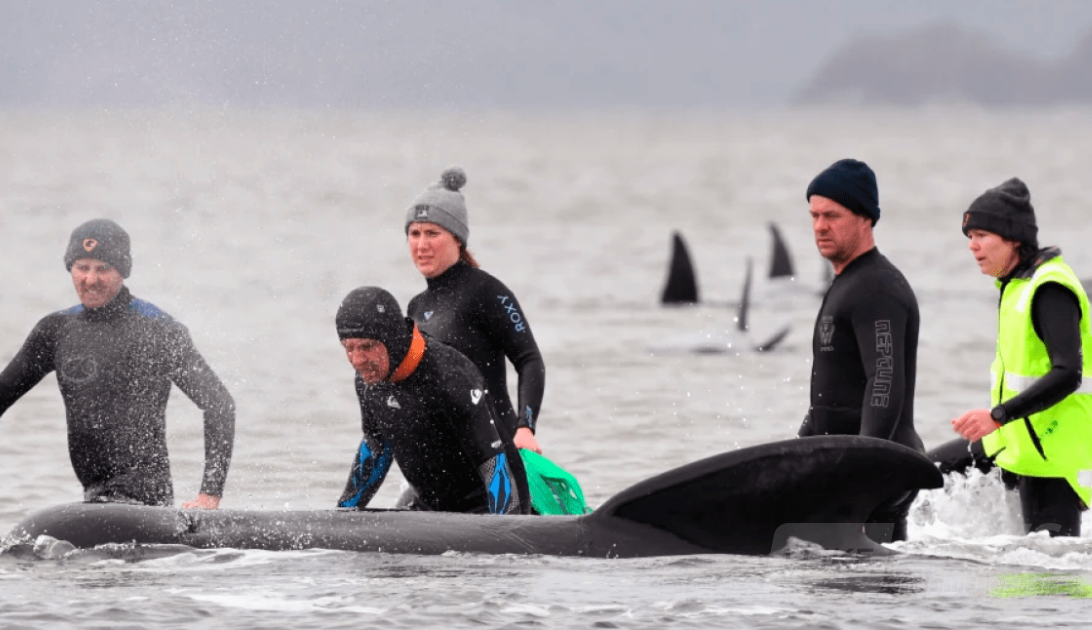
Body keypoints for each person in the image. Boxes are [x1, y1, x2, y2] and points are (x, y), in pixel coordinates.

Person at [0, 219, 235, 509]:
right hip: (94, 500)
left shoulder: (157, 329)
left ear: (123, 272)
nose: (90, 279)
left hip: (145, 505)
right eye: (82, 268)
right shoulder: (56, 331)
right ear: (70, 268)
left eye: (102, 269)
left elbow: (219, 404)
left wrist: (209, 495)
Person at [929, 178, 1092, 537]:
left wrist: (997, 416)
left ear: (1014, 238)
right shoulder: (1015, 285)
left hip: (1053, 456)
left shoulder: (1049, 287)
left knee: (1046, 578)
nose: (972, 247)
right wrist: (997, 420)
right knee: (922, 472)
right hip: (1013, 439)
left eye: (982, 236)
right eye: (969, 237)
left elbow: (1069, 373)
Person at [797, 159, 924, 542]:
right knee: (857, 590)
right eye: (814, 215)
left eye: (832, 215)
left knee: (865, 591)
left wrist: (864, 469)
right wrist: (800, 452)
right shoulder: (848, 283)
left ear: (865, 218)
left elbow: (883, 379)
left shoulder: (877, 290)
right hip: (854, 467)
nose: (820, 226)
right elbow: (835, 389)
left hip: (876, 472)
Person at [334, 286, 531, 515]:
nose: (357, 360)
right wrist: (342, 516)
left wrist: (507, 532)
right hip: (427, 510)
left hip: (485, 510)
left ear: (392, 338)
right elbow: (377, 447)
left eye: (367, 347)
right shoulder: (369, 382)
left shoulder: (450, 376)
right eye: (349, 348)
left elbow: (493, 466)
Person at [403, 166, 546, 454]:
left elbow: (529, 360)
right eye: (414, 233)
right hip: (449, 459)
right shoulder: (416, 307)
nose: (421, 244)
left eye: (432, 233)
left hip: (498, 450)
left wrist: (525, 427)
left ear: (457, 238)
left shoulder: (486, 292)